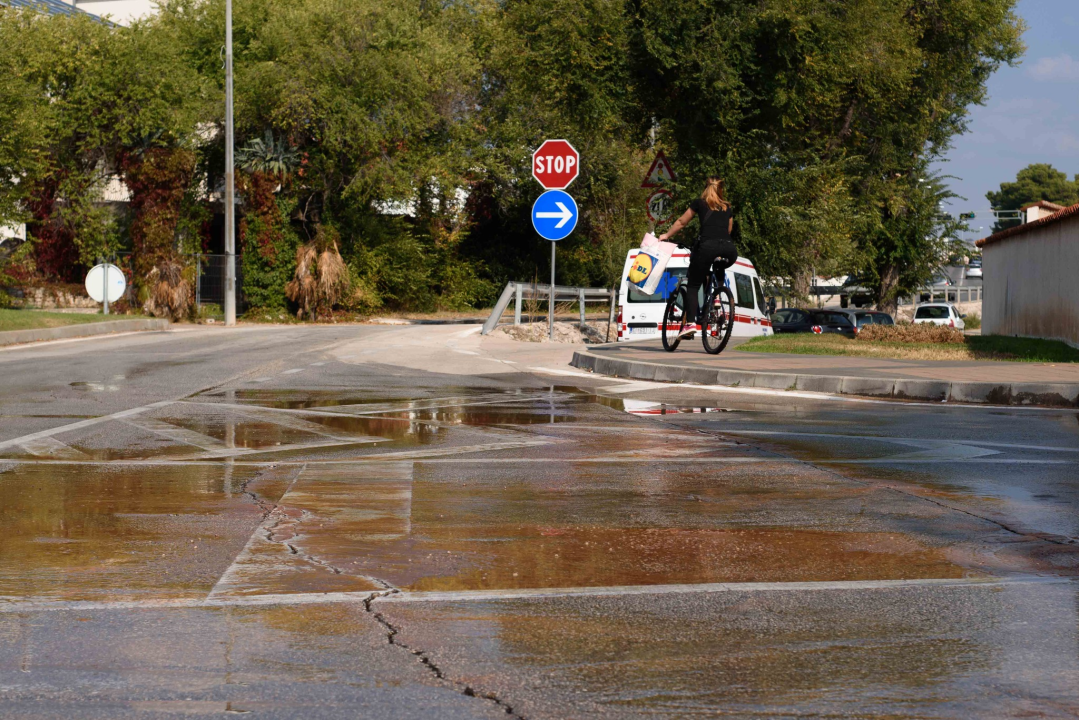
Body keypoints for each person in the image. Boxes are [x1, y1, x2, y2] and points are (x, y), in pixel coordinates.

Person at [659, 177, 737, 336]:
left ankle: (690, 324)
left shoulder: (699, 203)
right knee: (718, 263)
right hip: (730, 250)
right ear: (720, 189)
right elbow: (729, 230)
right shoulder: (727, 207)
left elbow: (682, 222)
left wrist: (666, 235)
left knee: (693, 285)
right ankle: (717, 296)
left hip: (707, 247)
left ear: (706, 188)